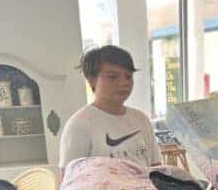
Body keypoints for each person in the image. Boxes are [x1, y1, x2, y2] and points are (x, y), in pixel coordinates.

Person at [59, 45, 161, 181]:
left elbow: (155, 168)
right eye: (113, 77)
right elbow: (69, 181)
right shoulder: (79, 124)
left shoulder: (141, 119)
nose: (124, 83)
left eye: (128, 76)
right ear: (91, 80)